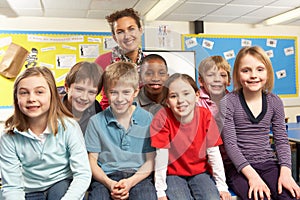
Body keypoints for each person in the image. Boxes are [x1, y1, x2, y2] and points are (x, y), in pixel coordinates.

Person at [218, 46, 300, 200]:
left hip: (268, 163)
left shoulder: (275, 102)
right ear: (237, 74)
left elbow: (281, 141)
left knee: (290, 196)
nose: (253, 75)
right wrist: (253, 177)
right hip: (239, 168)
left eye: (260, 69)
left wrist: (286, 172)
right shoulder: (228, 102)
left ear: (268, 72)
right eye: (246, 70)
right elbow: (231, 145)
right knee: (259, 197)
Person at [0, 66, 91, 200]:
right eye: (24, 93)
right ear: (16, 98)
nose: (31, 98)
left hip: (60, 186)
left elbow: (82, 174)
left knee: (60, 190)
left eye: (39, 92)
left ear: (52, 95)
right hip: (28, 190)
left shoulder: (69, 127)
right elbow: (12, 187)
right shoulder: (8, 137)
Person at [84, 61, 157, 200]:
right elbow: (92, 161)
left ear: (135, 92)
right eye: (113, 92)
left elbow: (151, 161)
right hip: (105, 178)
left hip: (138, 177)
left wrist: (130, 182)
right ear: (105, 93)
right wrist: (110, 183)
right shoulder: (96, 121)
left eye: (126, 92)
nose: (119, 99)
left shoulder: (147, 119)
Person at [151, 73, 222, 200]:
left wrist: (222, 186)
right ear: (167, 102)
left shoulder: (205, 116)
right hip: (173, 174)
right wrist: (160, 191)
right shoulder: (162, 118)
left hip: (200, 172)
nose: (180, 100)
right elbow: (161, 156)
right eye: (173, 96)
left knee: (212, 198)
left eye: (186, 93)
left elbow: (213, 152)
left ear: (197, 96)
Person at [95, 8, 144, 110]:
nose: (127, 36)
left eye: (131, 29)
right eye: (120, 32)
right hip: (109, 121)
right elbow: (88, 93)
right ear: (114, 37)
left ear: (140, 30)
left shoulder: (151, 63)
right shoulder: (103, 61)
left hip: (142, 121)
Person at [198, 55, 232, 200]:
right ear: (201, 81)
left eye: (222, 75)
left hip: (232, 161)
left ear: (228, 80)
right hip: (208, 165)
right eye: (211, 75)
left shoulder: (234, 100)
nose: (217, 80)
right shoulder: (196, 103)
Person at [63, 61, 103, 134]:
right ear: (66, 87)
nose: (84, 97)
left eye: (91, 92)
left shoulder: (96, 110)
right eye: (79, 89)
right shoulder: (51, 110)